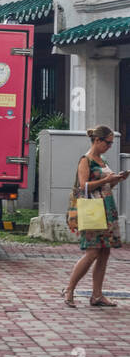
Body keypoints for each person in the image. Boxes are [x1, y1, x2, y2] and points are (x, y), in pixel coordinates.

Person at [62, 125, 129, 308]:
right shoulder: (86, 160)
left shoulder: (102, 160)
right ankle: (69, 289)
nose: (109, 146)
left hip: (106, 209)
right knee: (92, 252)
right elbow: (84, 186)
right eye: (107, 142)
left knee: (105, 252)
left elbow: (104, 187)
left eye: (111, 143)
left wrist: (115, 181)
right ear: (97, 140)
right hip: (93, 210)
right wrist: (106, 180)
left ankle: (97, 295)